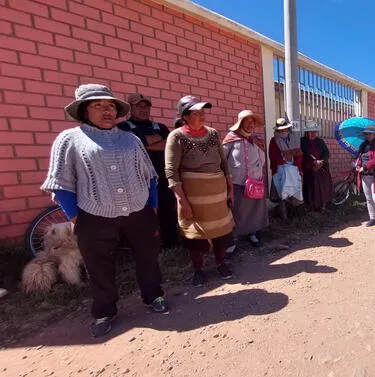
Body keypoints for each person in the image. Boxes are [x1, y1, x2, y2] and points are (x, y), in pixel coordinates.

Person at [41, 84, 168, 338]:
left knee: (148, 258)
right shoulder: (70, 140)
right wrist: (75, 216)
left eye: (109, 105)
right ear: (84, 111)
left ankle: (153, 296)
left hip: (139, 213)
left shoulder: (130, 139)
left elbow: (149, 176)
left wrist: (151, 206)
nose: (106, 111)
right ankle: (104, 311)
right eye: (97, 106)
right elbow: (61, 183)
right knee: (99, 266)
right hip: (94, 215)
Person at [165, 96, 234, 287]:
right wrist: (182, 201)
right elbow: (171, 171)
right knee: (196, 235)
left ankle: (221, 263)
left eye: (203, 111)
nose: (202, 115)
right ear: (185, 116)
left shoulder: (212, 134)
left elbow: (224, 163)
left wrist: (230, 190)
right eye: (196, 112)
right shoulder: (177, 136)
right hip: (193, 196)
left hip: (218, 193)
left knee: (222, 231)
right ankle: (198, 270)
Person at [117, 93, 179, 248]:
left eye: (146, 106)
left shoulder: (160, 126)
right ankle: (147, 245)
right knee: (143, 213)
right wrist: (153, 140)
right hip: (137, 177)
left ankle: (171, 243)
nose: (143, 109)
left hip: (162, 175)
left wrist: (142, 143)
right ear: (130, 107)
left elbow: (169, 144)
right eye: (139, 106)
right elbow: (130, 145)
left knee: (167, 209)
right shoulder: (122, 127)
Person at [222, 110, 269, 248]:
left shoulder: (255, 141)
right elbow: (222, 160)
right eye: (247, 121)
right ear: (240, 123)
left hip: (256, 183)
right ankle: (233, 239)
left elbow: (262, 159)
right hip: (237, 183)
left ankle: (252, 234)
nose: (250, 124)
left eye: (252, 121)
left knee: (255, 209)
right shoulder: (231, 139)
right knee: (237, 211)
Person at [268, 118, 303, 220]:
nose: (284, 132)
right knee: (282, 193)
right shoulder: (274, 141)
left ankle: (293, 214)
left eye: (285, 130)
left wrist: (297, 166)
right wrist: (284, 160)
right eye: (281, 130)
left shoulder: (294, 139)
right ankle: (284, 215)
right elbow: (273, 156)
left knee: (293, 191)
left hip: (293, 168)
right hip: (281, 169)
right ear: (278, 131)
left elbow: (299, 154)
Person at [300, 122, 333, 211]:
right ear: (307, 132)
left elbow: (326, 153)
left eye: (315, 132)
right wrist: (312, 162)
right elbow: (302, 154)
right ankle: (311, 206)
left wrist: (321, 161)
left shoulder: (320, 141)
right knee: (310, 187)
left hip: (321, 167)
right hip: (309, 168)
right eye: (311, 132)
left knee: (323, 187)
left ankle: (323, 205)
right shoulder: (302, 141)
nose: (313, 134)